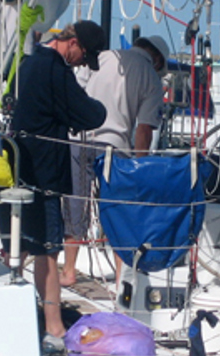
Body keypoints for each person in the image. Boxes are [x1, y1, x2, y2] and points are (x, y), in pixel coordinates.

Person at [10, 21, 107, 346]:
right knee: (48, 250)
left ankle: (24, 311)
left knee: (26, 244)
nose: (82, 63)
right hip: (46, 170)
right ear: (74, 43)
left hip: (23, 166)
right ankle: (54, 326)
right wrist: (93, 107)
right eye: (84, 56)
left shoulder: (30, 62)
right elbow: (91, 115)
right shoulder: (55, 69)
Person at [60, 35, 168, 286]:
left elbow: (77, 91)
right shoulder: (150, 78)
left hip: (79, 139)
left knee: (76, 205)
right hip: (115, 146)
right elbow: (144, 130)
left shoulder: (103, 57)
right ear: (156, 60)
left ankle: (68, 271)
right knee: (119, 214)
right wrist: (139, 168)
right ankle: (121, 278)